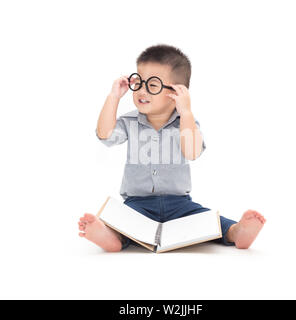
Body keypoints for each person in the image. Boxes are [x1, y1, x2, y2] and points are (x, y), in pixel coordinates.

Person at [78, 44, 266, 252]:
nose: (141, 90)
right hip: (137, 204)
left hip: (181, 204)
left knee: (209, 220)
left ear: (176, 93)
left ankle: (236, 232)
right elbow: (105, 134)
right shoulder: (130, 121)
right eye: (139, 82)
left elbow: (193, 152)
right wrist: (113, 97)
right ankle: (111, 238)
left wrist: (185, 112)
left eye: (153, 85)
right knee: (123, 222)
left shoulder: (186, 123)